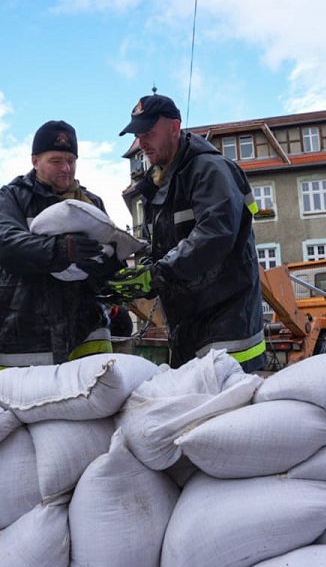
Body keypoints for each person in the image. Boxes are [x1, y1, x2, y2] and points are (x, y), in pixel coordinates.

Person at [112, 94, 268, 372]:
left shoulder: (209, 170)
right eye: (137, 134)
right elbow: (159, 247)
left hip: (228, 329)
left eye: (149, 132)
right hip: (189, 327)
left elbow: (215, 235)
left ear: (174, 128)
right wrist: (144, 271)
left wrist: (157, 274)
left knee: (229, 413)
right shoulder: (158, 185)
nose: (142, 142)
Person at [0, 120, 121, 367]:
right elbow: (5, 246)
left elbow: (110, 259)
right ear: (35, 161)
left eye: (71, 161)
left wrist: (110, 263)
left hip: (89, 333)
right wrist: (63, 250)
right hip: (28, 337)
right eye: (56, 161)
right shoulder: (11, 198)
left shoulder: (92, 203)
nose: (66, 169)